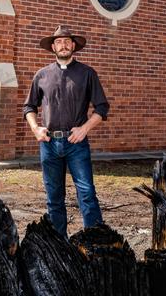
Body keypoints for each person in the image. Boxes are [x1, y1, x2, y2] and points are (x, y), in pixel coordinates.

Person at [23, 25, 109, 238]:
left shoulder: (87, 73)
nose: (63, 45)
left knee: (87, 193)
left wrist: (85, 128)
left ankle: (95, 242)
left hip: (76, 144)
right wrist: (35, 128)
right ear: (53, 47)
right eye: (59, 42)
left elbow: (102, 107)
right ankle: (58, 245)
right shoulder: (41, 75)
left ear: (73, 45)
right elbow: (29, 107)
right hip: (49, 144)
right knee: (54, 197)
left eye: (67, 41)